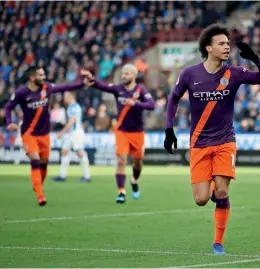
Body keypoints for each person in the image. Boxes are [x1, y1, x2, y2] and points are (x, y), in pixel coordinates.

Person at [163, 24, 260, 254]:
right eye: (222, 43)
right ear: (208, 47)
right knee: (201, 200)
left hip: (225, 142)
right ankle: (212, 184)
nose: (227, 47)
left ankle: (218, 242)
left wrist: (255, 57)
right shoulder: (189, 74)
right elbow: (173, 99)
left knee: (222, 193)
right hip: (199, 144)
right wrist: (168, 129)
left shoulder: (233, 73)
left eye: (227, 43)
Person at [5, 66, 92, 206]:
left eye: (44, 74)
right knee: (35, 160)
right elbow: (8, 107)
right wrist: (9, 122)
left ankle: (38, 184)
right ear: (32, 78)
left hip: (44, 134)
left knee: (44, 164)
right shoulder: (21, 93)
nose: (44, 77)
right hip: (28, 133)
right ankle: (40, 195)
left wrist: (82, 83)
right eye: (41, 75)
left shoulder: (48, 87)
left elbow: (65, 87)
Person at [81, 64, 155, 203]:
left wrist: (136, 104)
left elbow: (152, 105)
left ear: (134, 75)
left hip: (137, 133)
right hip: (121, 131)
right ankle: (121, 191)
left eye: (126, 74)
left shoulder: (141, 90)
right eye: (122, 73)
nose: (123, 76)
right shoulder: (118, 89)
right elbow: (102, 86)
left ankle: (134, 180)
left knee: (137, 161)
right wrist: (92, 79)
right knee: (121, 160)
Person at [52, 91, 91, 183]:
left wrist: (62, 132)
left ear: (71, 96)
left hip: (75, 133)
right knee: (64, 151)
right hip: (72, 133)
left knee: (79, 152)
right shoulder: (71, 107)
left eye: (65, 96)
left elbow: (72, 121)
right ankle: (62, 175)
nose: (64, 98)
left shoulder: (74, 107)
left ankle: (87, 176)